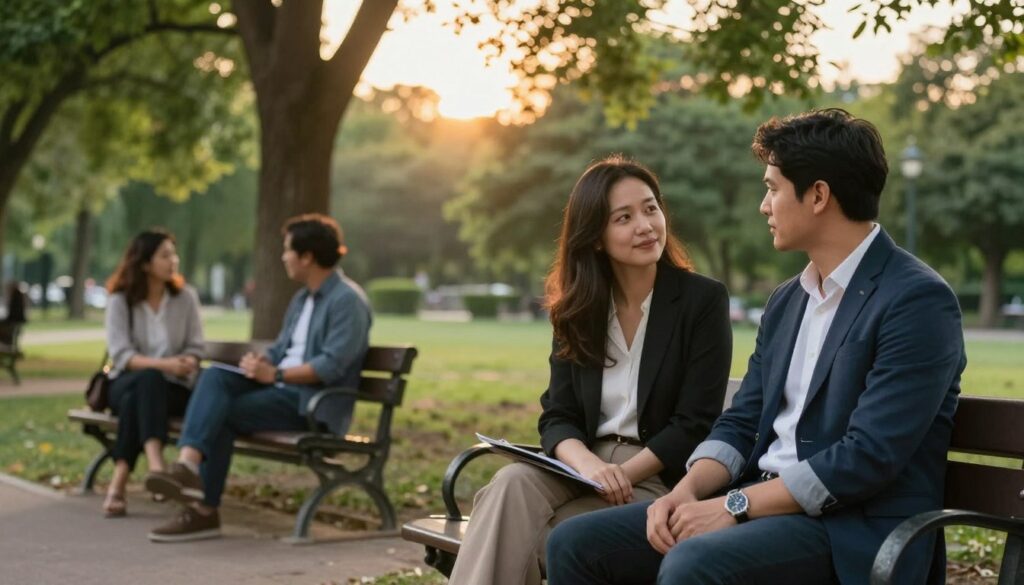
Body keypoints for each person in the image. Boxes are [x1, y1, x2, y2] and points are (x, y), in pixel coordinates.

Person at [546, 109, 967, 585]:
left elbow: (866, 456)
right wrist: (684, 494)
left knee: (693, 562)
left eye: (771, 188)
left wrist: (735, 505)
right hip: (762, 505)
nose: (764, 206)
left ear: (818, 196)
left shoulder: (916, 300)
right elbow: (742, 421)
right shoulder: (789, 300)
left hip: (851, 532)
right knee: (577, 543)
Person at [448, 156, 733, 585]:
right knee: (509, 485)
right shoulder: (579, 309)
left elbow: (694, 423)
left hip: (654, 474)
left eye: (651, 208)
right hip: (580, 465)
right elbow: (557, 414)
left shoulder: (701, 301)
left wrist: (619, 474)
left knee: (528, 533)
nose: (645, 225)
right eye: (624, 217)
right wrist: (587, 465)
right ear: (596, 237)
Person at [144, 213, 372, 542]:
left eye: (288, 250)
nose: (283, 257)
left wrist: (275, 373)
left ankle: (203, 509)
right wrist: (260, 362)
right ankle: (188, 465)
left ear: (307, 257)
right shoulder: (302, 299)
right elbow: (281, 348)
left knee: (220, 415)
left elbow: (331, 366)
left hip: (311, 404)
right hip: (281, 390)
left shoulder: (347, 302)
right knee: (216, 377)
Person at [102, 230, 205, 518]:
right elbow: (122, 355)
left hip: (174, 388)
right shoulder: (120, 301)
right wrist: (164, 365)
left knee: (142, 395)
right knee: (147, 381)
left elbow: (197, 346)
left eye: (174, 253)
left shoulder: (185, 298)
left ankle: (120, 482)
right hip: (126, 382)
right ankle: (157, 468)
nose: (173, 260)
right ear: (145, 263)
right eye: (165, 255)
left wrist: (187, 361)